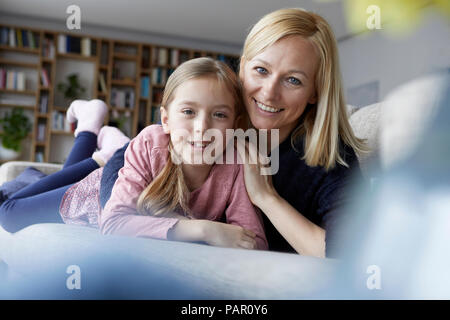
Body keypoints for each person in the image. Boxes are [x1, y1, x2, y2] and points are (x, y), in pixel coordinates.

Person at [100, 8, 367, 258]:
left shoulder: (332, 156)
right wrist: (185, 226)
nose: (269, 93)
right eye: (261, 70)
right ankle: (96, 136)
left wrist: (266, 198)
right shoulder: (219, 119)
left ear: (316, 91)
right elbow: (123, 167)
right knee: (93, 167)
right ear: (242, 68)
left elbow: (348, 252)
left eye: (293, 80)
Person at [100, 57, 267, 250]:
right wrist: (205, 230)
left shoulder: (236, 162)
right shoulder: (150, 143)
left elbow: (255, 243)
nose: (202, 127)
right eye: (188, 111)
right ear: (166, 119)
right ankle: (95, 135)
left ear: (234, 126)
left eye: (219, 115)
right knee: (59, 183)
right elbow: (112, 224)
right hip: (96, 189)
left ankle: (110, 144)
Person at [0, 99, 131, 232]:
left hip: (112, 188)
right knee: (7, 211)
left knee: (7, 213)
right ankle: (93, 136)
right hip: (113, 187)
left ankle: (91, 133)